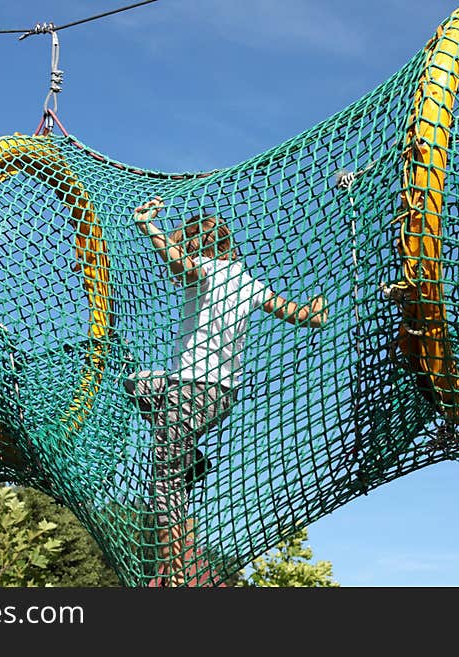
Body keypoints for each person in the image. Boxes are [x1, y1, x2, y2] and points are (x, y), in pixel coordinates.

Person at [125, 195, 328, 587]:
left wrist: (147, 225)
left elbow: (179, 264)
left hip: (189, 390)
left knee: (164, 480)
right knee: (136, 383)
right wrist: (318, 305)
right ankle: (193, 459)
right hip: (220, 396)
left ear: (198, 247)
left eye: (185, 242)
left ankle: (177, 572)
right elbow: (305, 317)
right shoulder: (250, 283)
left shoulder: (205, 271)